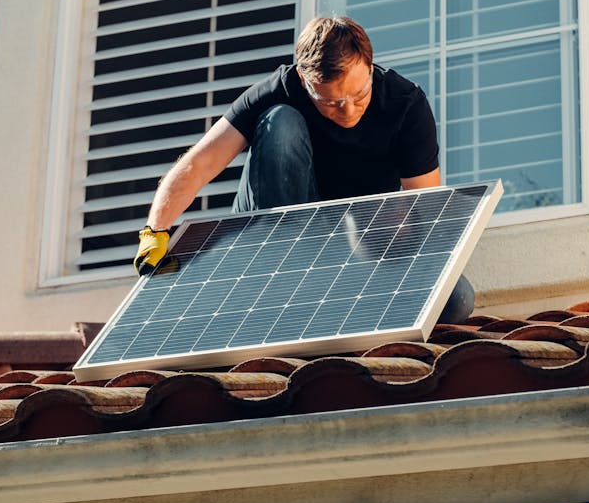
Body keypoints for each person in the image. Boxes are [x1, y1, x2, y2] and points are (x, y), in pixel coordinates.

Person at [134, 16, 474, 323]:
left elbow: (426, 209)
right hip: (274, 237)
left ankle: (331, 291)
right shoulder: (277, 90)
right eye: (330, 102)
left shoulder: (405, 105)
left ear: (370, 68)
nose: (348, 111)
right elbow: (199, 163)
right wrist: (156, 231)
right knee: (280, 122)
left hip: (352, 245)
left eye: (359, 95)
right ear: (304, 79)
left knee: (455, 299)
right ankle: (283, 272)